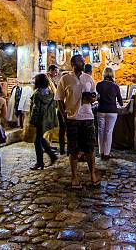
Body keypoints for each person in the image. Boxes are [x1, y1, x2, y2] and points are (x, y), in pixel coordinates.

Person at [55, 54, 99, 188]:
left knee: (90, 148)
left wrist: (92, 98)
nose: (83, 62)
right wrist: (65, 116)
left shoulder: (88, 78)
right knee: (73, 149)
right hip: (73, 118)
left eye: (83, 61)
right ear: (73, 64)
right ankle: (74, 177)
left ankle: (92, 175)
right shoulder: (65, 79)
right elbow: (59, 99)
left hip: (87, 117)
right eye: (80, 61)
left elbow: (95, 95)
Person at [29, 74, 59, 169]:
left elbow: (35, 109)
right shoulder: (50, 93)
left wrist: (32, 120)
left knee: (37, 141)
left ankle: (40, 162)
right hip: (47, 119)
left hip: (39, 120)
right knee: (40, 138)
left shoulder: (37, 94)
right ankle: (51, 156)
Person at [96, 67, 124, 160]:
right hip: (112, 111)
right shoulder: (115, 86)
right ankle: (107, 154)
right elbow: (120, 101)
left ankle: (101, 152)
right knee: (108, 132)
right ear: (112, 74)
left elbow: (97, 97)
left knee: (100, 132)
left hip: (101, 110)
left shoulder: (99, 84)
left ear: (104, 74)